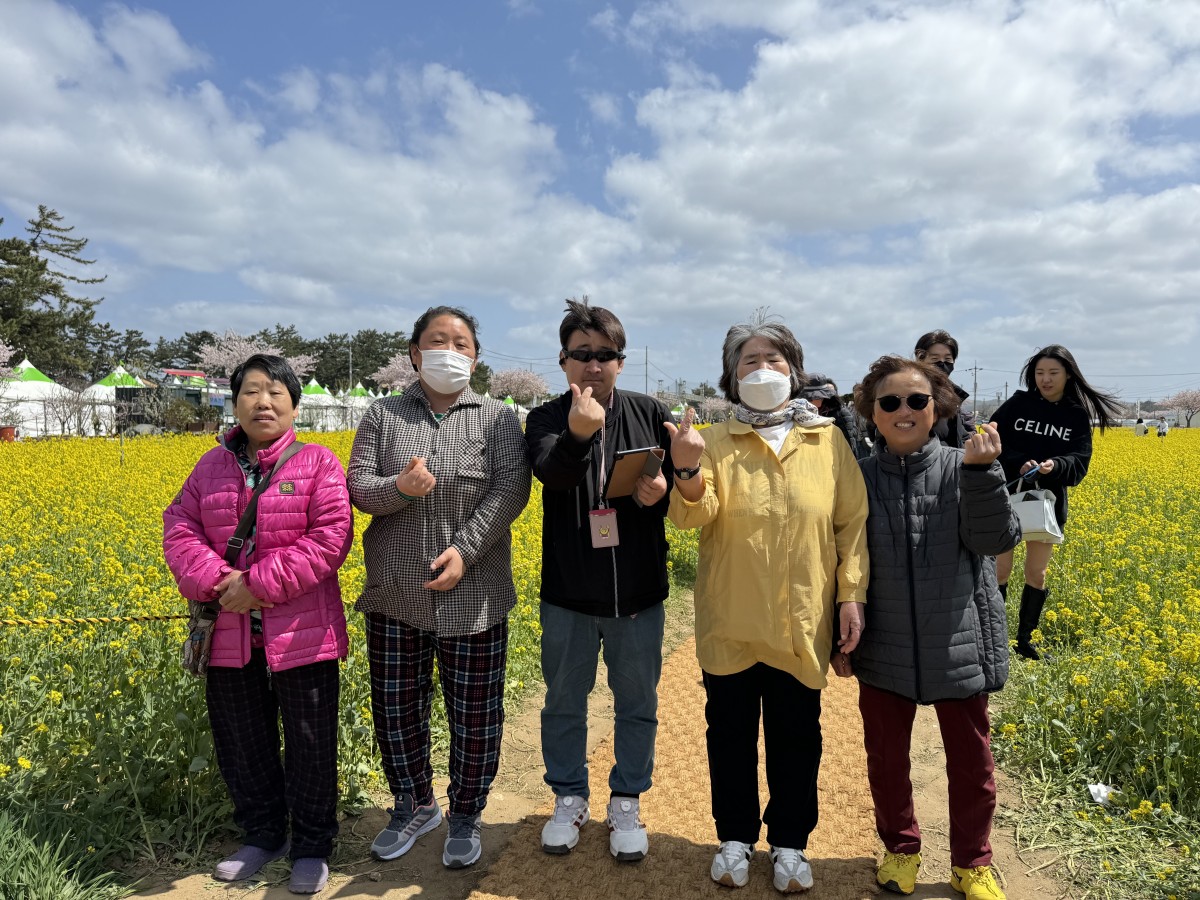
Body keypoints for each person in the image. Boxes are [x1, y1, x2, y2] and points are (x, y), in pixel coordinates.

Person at [667, 315, 868, 893]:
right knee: (729, 733)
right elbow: (690, 517)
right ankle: (734, 836)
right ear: (731, 378)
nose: (762, 370)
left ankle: (790, 842)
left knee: (798, 735)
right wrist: (686, 467)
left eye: (773, 360)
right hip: (732, 617)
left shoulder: (827, 440)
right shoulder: (713, 441)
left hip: (802, 618)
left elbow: (852, 524)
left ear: (794, 371)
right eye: (748, 361)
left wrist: (851, 594)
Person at [347, 306, 531, 869]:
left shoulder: (497, 419)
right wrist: (399, 489)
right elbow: (358, 487)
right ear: (414, 353)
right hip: (395, 593)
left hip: (475, 596)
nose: (449, 351)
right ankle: (414, 803)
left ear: (475, 358)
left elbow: (511, 489)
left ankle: (466, 812)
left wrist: (466, 550)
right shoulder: (382, 416)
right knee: (396, 707)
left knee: (475, 714)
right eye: (437, 340)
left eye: (461, 343)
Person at [163, 354, 353, 895]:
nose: (262, 402)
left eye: (275, 392)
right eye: (250, 391)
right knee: (242, 740)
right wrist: (221, 581)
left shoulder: (317, 463)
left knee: (311, 742)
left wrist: (257, 586)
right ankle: (263, 834)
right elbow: (179, 528)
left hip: (303, 633)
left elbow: (330, 539)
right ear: (235, 402)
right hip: (229, 633)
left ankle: (312, 844)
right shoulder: (210, 467)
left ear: (294, 404)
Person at [840, 355, 1020, 899]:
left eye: (917, 400)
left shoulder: (965, 465)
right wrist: (836, 636)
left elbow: (996, 539)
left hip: (958, 642)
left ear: (936, 409)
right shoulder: (856, 478)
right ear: (872, 413)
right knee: (886, 761)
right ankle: (900, 850)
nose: (905, 410)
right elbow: (838, 561)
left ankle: (972, 862)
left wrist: (983, 475)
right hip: (884, 644)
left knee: (972, 763)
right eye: (890, 401)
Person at [525, 298, 675, 863]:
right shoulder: (545, 418)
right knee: (564, 700)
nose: (594, 364)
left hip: (638, 591)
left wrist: (660, 495)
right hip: (569, 592)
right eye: (582, 354)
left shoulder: (650, 411)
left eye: (605, 355)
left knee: (637, 701)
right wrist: (579, 433)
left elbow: (678, 488)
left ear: (621, 361)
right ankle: (568, 796)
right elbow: (553, 473)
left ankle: (627, 798)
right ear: (563, 360)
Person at [989, 345, 1122, 660]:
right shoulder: (1017, 405)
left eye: (1053, 373)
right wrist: (1019, 461)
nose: (1045, 379)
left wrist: (1055, 465)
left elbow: (1079, 462)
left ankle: (1025, 641)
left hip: (1046, 504)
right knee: (999, 571)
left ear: (1068, 375)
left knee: (1037, 574)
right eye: (1040, 373)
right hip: (1007, 498)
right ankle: (993, 638)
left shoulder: (1075, 415)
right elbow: (992, 440)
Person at [912, 330, 976, 447]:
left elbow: (962, 436)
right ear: (920, 360)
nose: (942, 363)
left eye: (947, 359)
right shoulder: (909, 394)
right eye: (935, 359)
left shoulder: (953, 396)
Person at [799, 372, 871, 459]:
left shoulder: (840, 413)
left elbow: (850, 443)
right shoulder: (799, 413)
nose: (811, 400)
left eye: (816, 397)